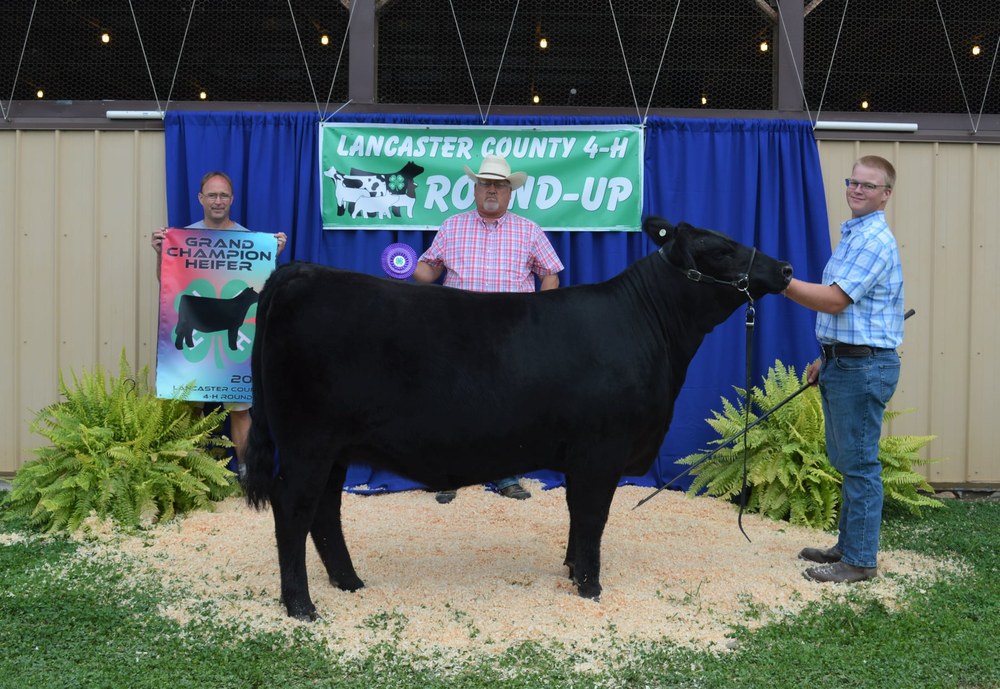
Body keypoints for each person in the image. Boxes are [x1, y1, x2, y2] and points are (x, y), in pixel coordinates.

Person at [413, 154, 564, 504]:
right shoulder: (452, 226)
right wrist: (406, 267)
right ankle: (451, 472)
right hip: (458, 330)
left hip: (511, 332)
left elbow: (550, 273)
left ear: (510, 192)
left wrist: (542, 314)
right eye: (485, 183)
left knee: (508, 404)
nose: (491, 189)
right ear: (475, 189)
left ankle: (504, 473)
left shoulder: (529, 230)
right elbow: (429, 270)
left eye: (499, 184)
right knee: (453, 401)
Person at [782, 155, 904, 583]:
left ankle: (859, 562)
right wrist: (825, 357)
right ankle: (849, 546)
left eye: (869, 185)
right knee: (848, 459)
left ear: (885, 194)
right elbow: (850, 317)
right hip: (846, 362)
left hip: (864, 368)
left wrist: (781, 283)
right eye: (853, 181)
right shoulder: (854, 235)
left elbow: (835, 300)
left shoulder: (873, 241)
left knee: (860, 465)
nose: (857, 189)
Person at [150, 171, 287, 472]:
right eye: (212, 195)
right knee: (191, 409)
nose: (218, 200)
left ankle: (247, 476)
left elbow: (264, 287)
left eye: (223, 195)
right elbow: (167, 283)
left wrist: (271, 255)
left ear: (232, 199)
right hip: (196, 341)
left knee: (240, 411)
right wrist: (161, 253)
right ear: (201, 199)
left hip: (234, 353)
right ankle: (189, 478)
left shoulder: (248, 240)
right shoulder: (183, 238)